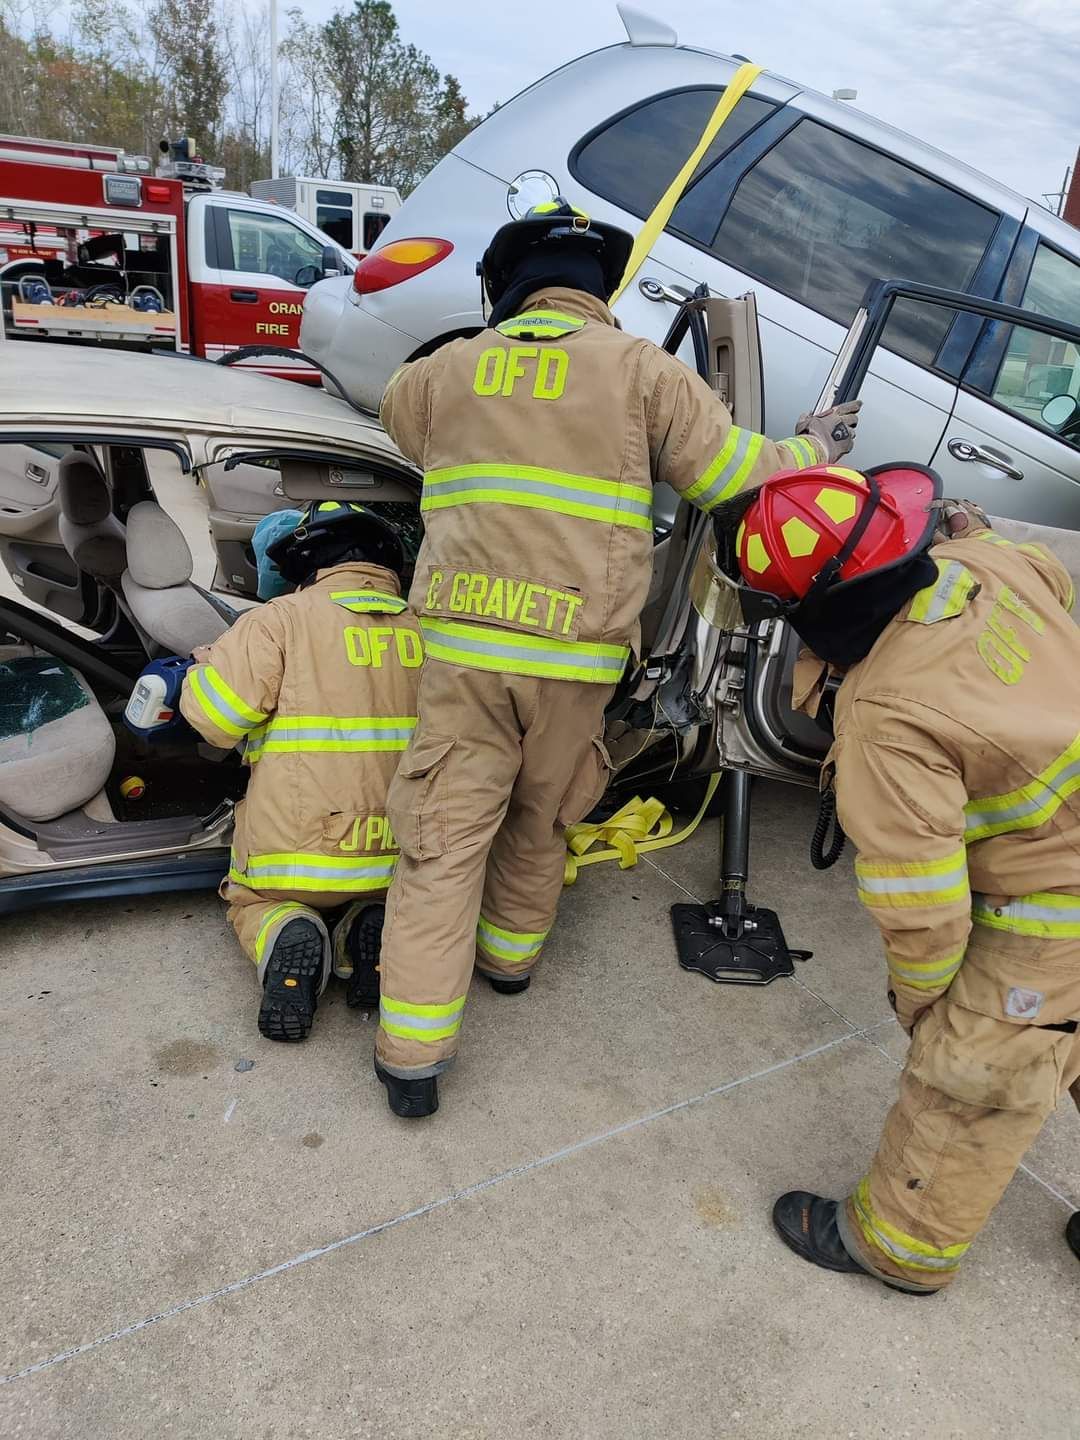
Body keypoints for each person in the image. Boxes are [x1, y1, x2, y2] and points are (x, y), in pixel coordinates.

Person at [373, 197, 861, 1118]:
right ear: (603, 291)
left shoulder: (447, 373)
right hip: (578, 664)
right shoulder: (647, 373)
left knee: (441, 840)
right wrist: (817, 448)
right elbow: (730, 477)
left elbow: (404, 425)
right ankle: (510, 966)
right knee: (543, 816)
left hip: (462, 661)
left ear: (506, 287)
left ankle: (412, 1059)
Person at [714, 459, 1080, 1292]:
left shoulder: (888, 715)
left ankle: (897, 1248)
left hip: (1057, 895)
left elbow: (924, 913)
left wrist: (929, 1015)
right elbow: (1050, 578)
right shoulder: (977, 563)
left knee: (975, 1076)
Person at [179, 501, 423, 1042]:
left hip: (295, 854)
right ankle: (367, 924)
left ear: (305, 564)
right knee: (380, 895)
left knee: (250, 899)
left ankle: (286, 925)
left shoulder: (277, 621)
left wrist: (202, 670)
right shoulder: (426, 627)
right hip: (402, 850)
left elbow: (218, 720)